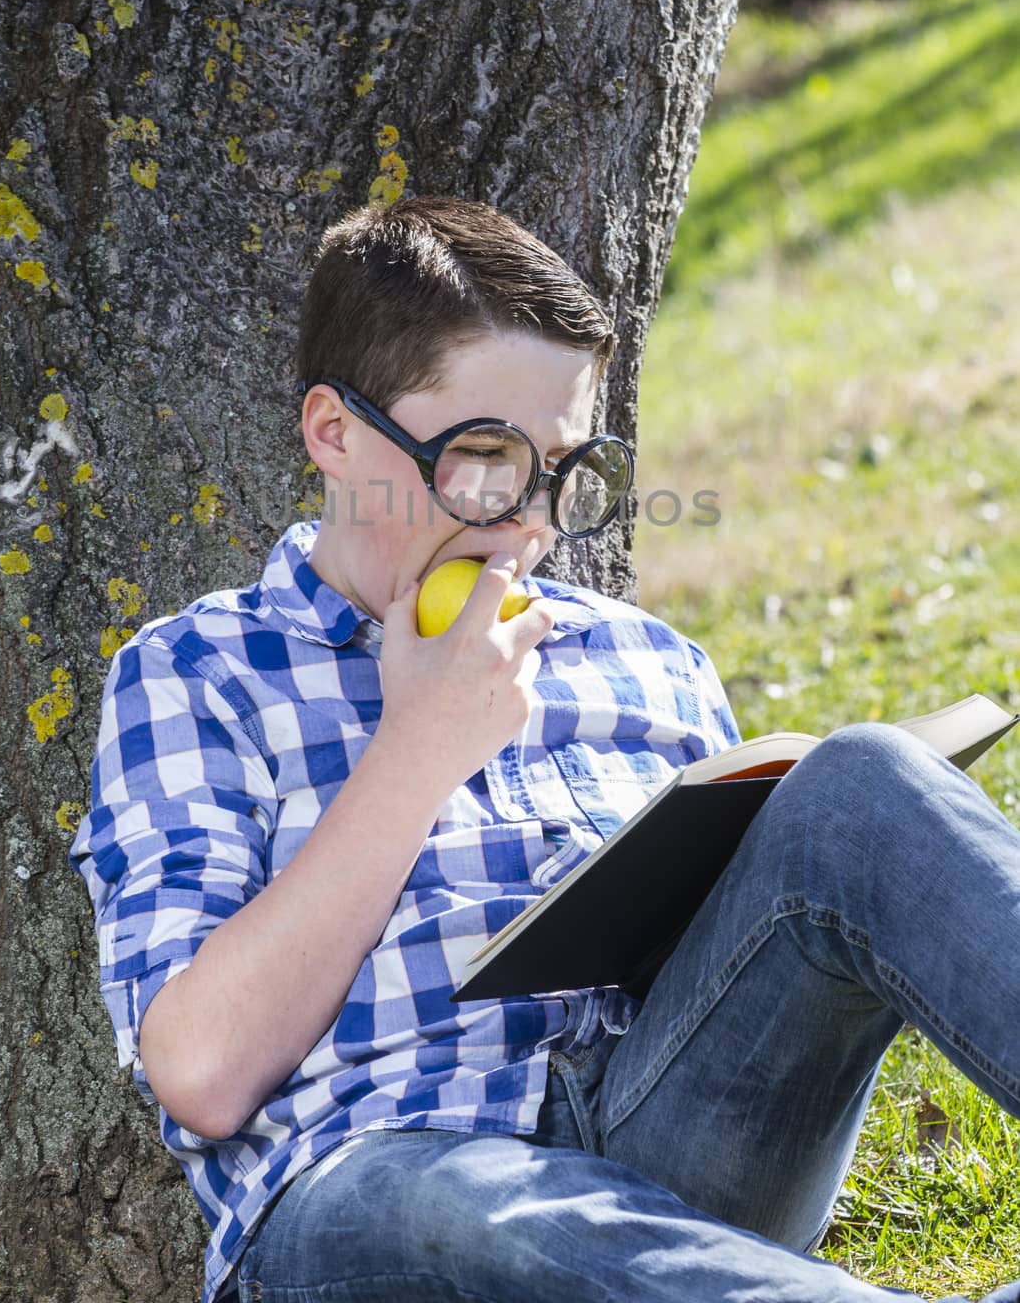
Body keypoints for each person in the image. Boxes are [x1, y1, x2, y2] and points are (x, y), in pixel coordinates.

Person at [69, 195, 1020, 1303]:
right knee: (443, 1197)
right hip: (377, 1191)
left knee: (856, 784)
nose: (528, 523)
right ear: (335, 432)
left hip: (668, 1146)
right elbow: (201, 1074)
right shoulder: (197, 672)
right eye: (481, 457)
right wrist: (417, 747)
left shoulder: (644, 656)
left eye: (563, 468)